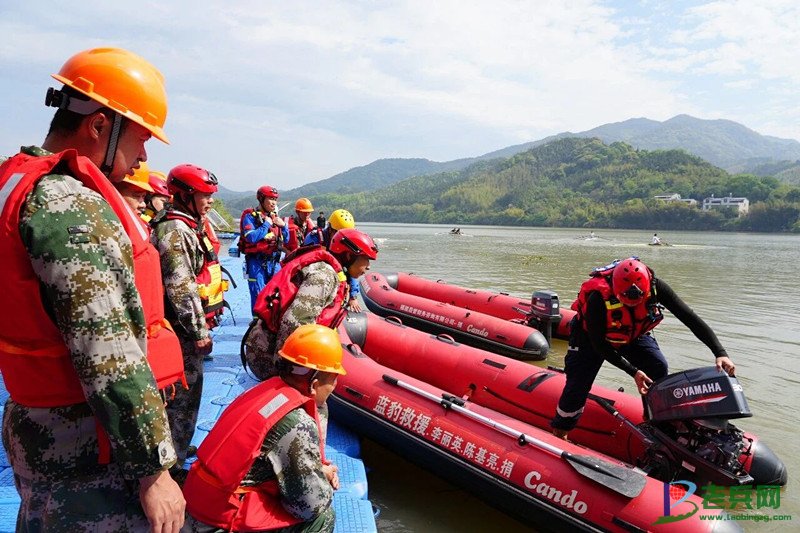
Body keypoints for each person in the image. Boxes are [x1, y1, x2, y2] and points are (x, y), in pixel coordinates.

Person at [0, 47, 185, 531]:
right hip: (84, 445)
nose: (144, 156)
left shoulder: (15, 183)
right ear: (100, 125)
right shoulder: (68, 204)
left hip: (36, 425)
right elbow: (107, 349)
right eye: (141, 137)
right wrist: (153, 469)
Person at [551, 257, 736, 440]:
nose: (632, 304)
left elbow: (689, 317)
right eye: (626, 300)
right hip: (590, 338)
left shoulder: (656, 287)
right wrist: (633, 372)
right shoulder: (598, 298)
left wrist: (720, 353)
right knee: (578, 385)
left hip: (630, 333)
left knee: (657, 366)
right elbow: (600, 345)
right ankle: (561, 431)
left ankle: (654, 424)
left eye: (636, 301)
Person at [182, 324, 343, 533]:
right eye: (333, 380)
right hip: (215, 521)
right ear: (313, 385)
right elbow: (308, 506)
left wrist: (317, 470)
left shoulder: (265, 391)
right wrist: (324, 480)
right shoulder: (297, 423)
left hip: (197, 500)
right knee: (322, 517)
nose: (334, 386)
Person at [151, 163, 227, 473]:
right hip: (178, 329)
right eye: (204, 195)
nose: (210, 200)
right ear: (185, 196)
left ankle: (179, 445)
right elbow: (180, 287)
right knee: (181, 395)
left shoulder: (188, 226)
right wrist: (199, 331)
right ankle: (172, 464)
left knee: (184, 394)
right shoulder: (176, 231)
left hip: (182, 326)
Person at [244, 228, 378, 382]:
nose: (368, 266)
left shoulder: (334, 273)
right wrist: (290, 372)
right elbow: (294, 323)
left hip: (274, 348)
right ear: (349, 256)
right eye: (366, 259)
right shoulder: (324, 276)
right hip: (267, 355)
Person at [240, 185, 289, 311]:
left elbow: (286, 240)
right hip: (256, 262)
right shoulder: (250, 217)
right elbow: (251, 238)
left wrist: (284, 226)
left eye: (275, 199)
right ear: (261, 199)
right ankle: (257, 321)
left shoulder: (275, 218)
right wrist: (266, 224)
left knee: (279, 292)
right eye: (270, 199)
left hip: (274, 261)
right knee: (258, 294)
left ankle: (274, 320)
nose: (274, 202)